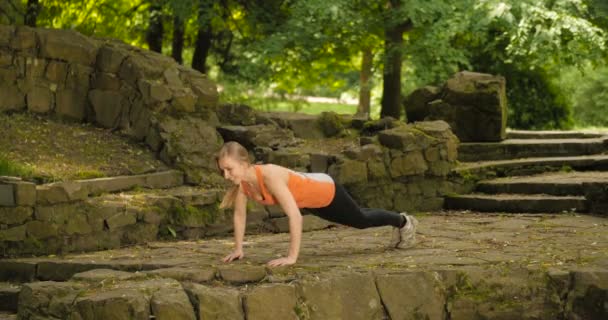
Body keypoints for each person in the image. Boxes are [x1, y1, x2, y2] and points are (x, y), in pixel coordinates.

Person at [216, 141, 418, 267]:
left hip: (325, 190)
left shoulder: (269, 176)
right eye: (223, 170)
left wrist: (291, 257)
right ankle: (401, 220)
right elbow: (239, 215)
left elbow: (294, 216)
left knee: (360, 220)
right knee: (357, 215)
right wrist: (238, 249)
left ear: (243, 164)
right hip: (311, 202)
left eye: (229, 169)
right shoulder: (243, 184)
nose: (226, 175)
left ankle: (404, 222)